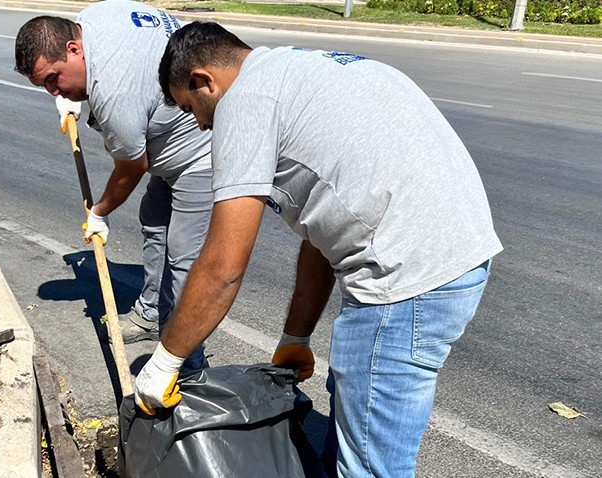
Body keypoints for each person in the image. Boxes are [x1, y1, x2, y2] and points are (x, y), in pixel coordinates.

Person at [134, 21, 503, 477]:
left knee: (370, 465)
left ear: (204, 80)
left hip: (404, 276)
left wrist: (166, 359)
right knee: (354, 410)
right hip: (455, 253)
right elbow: (321, 232)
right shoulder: (296, 68)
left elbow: (223, 265)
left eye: (193, 109)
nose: (202, 124)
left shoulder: (244, 101)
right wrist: (295, 337)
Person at [14, 1, 212, 372]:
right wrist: (71, 96)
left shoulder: (114, 93)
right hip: (174, 133)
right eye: (44, 86)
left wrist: (99, 211)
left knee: (184, 258)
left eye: (53, 80)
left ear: (74, 49)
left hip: (204, 150)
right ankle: (152, 311)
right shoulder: (92, 19)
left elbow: (132, 166)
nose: (53, 92)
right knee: (154, 220)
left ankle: (187, 365)